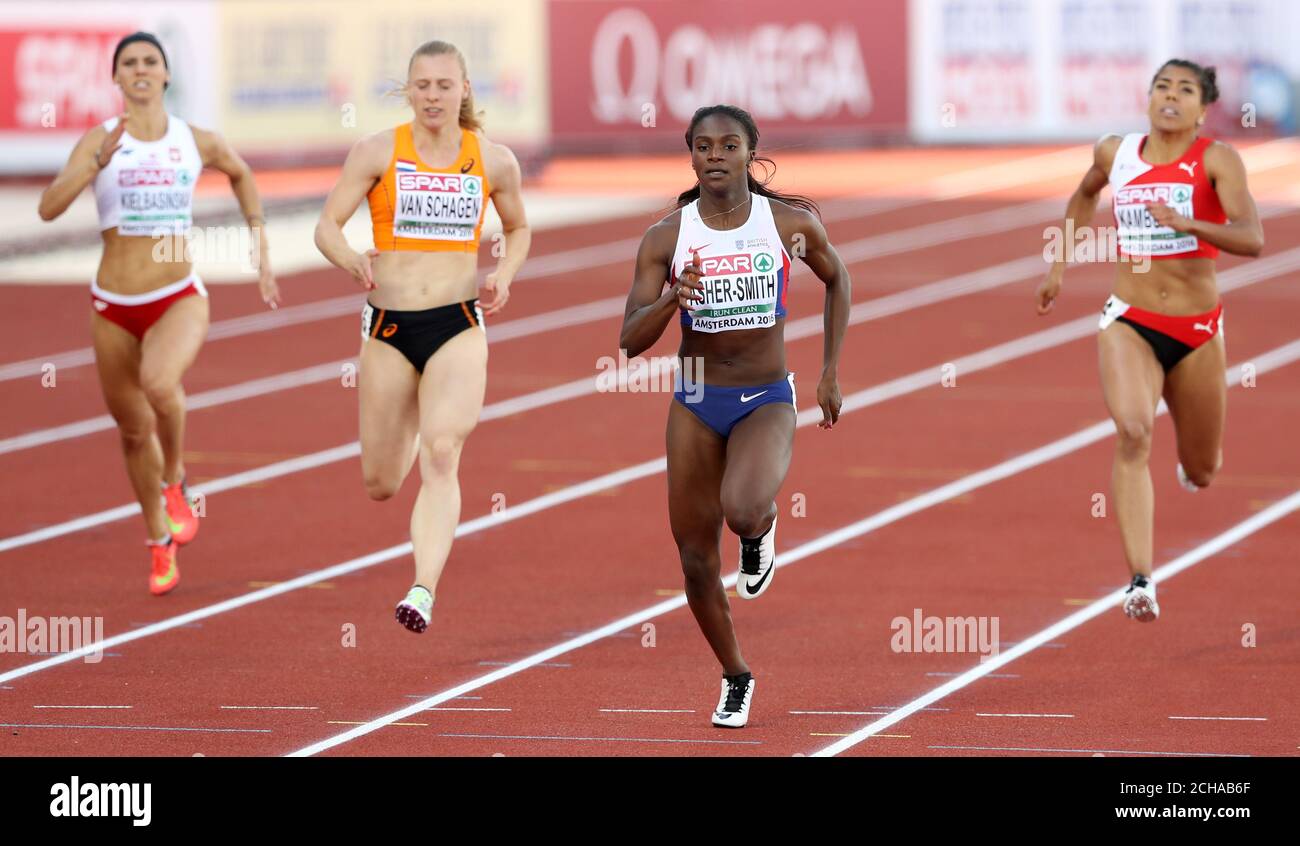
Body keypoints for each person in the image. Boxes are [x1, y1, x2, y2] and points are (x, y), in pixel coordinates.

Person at [619, 104, 850, 727]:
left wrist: (828, 370)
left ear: (752, 151)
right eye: (702, 146)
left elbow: (838, 279)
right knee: (694, 558)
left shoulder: (786, 225)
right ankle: (736, 675)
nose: (714, 155)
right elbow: (630, 340)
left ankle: (761, 528)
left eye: (727, 144)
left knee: (742, 507)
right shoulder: (667, 237)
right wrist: (673, 297)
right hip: (695, 398)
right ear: (690, 155)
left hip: (765, 395)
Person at [38, 31, 279, 596]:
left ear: (166, 75)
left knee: (160, 384)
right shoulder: (99, 141)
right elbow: (49, 207)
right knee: (130, 430)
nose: (141, 70)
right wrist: (93, 164)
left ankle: (174, 478)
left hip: (177, 296)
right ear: (116, 79)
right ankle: (157, 539)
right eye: (130, 63)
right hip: (113, 304)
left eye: (150, 61)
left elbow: (241, 172)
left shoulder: (193, 140)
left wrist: (259, 244)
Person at [1036, 59, 1264, 622]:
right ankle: (1140, 580)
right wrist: (1060, 264)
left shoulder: (1216, 159)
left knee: (1204, 468)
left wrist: (1192, 226)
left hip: (1197, 331)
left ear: (1202, 109)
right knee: (1134, 431)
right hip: (1130, 320)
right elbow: (1083, 195)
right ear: (1148, 97)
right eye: (1162, 86)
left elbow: (1252, 237)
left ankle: (1194, 464)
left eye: (1184, 90)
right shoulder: (1117, 153)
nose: (1170, 97)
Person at [314, 40, 529, 632]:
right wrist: (352, 259)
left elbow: (518, 225)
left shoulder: (494, 160)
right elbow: (326, 226)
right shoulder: (377, 150)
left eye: (443, 85)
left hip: (457, 322)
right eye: (422, 85)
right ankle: (408, 420)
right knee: (381, 482)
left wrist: (504, 271)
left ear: (464, 89)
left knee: (443, 451)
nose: (433, 96)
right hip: (388, 327)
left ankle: (422, 589)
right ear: (407, 90)